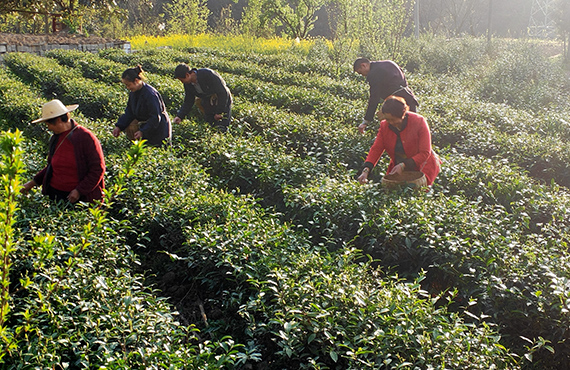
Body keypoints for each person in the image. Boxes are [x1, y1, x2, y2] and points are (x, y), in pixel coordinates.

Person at [21, 99, 105, 203]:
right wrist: (32, 183)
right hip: (55, 194)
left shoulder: (85, 137)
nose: (49, 128)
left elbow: (98, 169)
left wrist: (79, 191)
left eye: (49, 124)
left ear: (59, 120)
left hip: (78, 198)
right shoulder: (55, 138)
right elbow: (51, 166)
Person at [357, 96, 440, 186]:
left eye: (393, 119)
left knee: (418, 192)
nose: (391, 122)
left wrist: (403, 165)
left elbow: (425, 152)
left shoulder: (419, 122)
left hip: (423, 165)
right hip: (398, 165)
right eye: (388, 119)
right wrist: (366, 170)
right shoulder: (385, 126)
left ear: (402, 114)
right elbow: (376, 149)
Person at [354, 57, 419, 134]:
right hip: (409, 98)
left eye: (360, 72)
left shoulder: (373, 73)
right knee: (414, 127)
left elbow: (374, 98)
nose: (363, 75)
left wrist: (366, 121)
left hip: (398, 105)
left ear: (363, 65)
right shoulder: (388, 63)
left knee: (400, 131)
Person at [113, 65, 172, 147]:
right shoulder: (133, 94)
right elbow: (129, 112)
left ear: (136, 81)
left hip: (158, 130)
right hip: (146, 128)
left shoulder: (150, 94)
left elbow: (155, 117)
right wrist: (119, 126)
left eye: (128, 85)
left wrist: (143, 131)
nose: (127, 87)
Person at [173, 63, 232, 133]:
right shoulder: (188, 85)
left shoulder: (207, 74)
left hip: (222, 99)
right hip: (207, 102)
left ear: (187, 75)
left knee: (222, 125)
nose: (182, 82)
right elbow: (188, 101)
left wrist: (219, 111)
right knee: (211, 124)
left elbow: (222, 92)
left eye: (182, 80)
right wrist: (180, 116)